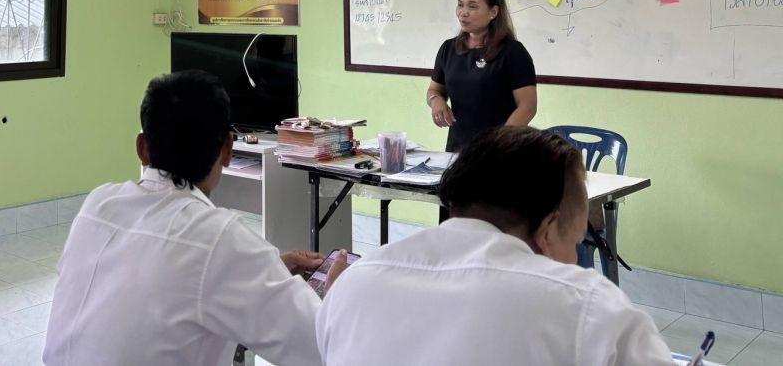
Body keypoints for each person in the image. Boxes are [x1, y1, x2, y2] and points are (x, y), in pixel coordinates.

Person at [44, 70, 345, 366]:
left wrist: (265, 271)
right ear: (227, 150)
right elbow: (325, 348)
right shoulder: (219, 239)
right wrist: (340, 293)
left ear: (142, 148)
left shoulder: (99, 203)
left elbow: (165, 281)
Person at [317, 126, 676, 366]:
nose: (574, 255)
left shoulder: (353, 284)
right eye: (576, 239)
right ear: (549, 229)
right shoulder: (589, 309)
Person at [426, 0, 536, 152]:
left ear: (493, 12)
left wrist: (500, 141)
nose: (463, 13)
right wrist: (435, 101)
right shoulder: (448, 48)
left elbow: (528, 107)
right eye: (460, 5)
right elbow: (434, 90)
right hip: (457, 149)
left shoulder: (512, 52)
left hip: (500, 150)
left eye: (472, 6)